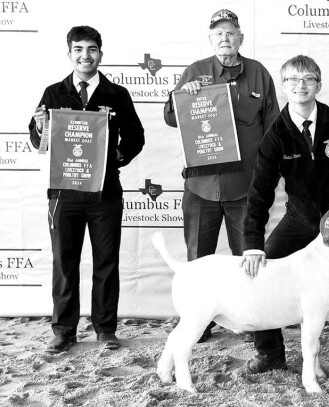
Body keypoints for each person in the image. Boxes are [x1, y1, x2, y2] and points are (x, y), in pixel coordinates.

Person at [235, 55, 329, 389]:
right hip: (298, 220)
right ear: (284, 86)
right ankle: (270, 353)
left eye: (308, 79)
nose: (301, 85)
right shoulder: (275, 135)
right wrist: (252, 244)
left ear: (319, 84)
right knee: (260, 276)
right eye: (294, 80)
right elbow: (259, 193)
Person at [163, 9, 279, 343]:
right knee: (198, 262)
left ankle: (250, 320)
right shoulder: (195, 72)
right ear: (210, 38)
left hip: (245, 186)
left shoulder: (258, 74)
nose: (224, 38)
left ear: (240, 38)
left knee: (249, 260)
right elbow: (172, 117)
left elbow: (273, 127)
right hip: (201, 186)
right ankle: (199, 322)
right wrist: (186, 95)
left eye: (230, 32)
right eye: (218, 33)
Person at [29, 26, 145, 353]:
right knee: (65, 262)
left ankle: (105, 329)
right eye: (78, 49)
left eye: (91, 49)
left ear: (100, 55)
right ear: (70, 54)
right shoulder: (53, 93)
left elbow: (136, 138)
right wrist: (40, 127)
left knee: (106, 262)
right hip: (63, 194)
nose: (85, 55)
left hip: (105, 194)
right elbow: (39, 142)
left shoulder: (117, 95)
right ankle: (64, 330)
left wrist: (110, 161)